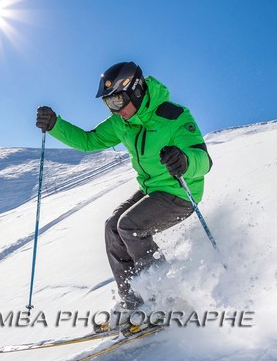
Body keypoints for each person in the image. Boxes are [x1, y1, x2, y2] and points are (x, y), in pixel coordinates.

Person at [33, 61, 212, 312]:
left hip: (181, 192)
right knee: (112, 228)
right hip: (153, 190)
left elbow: (204, 160)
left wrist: (184, 160)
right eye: (108, 104)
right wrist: (55, 125)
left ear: (136, 90)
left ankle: (164, 298)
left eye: (117, 102)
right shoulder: (122, 122)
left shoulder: (173, 116)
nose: (114, 110)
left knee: (131, 226)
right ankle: (133, 302)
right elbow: (89, 141)